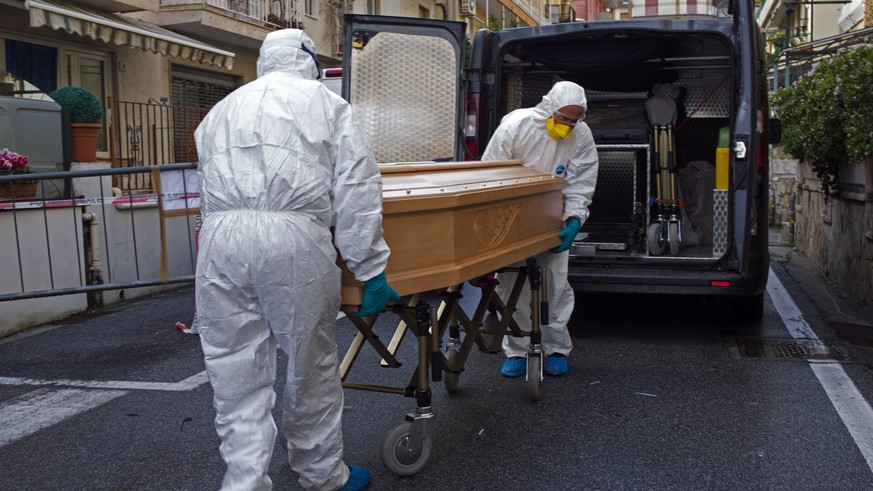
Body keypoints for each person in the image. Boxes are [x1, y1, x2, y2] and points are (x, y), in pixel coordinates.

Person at [194, 29, 400, 491]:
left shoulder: (221, 110)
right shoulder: (324, 104)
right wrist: (368, 266)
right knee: (310, 363)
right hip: (291, 235)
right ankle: (321, 473)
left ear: (265, 61)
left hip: (221, 238)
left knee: (234, 369)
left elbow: (206, 185)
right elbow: (356, 189)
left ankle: (243, 482)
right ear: (307, 60)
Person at [480, 81, 599, 378]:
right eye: (564, 119)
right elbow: (491, 172)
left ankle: (556, 347)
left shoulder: (580, 135)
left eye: (574, 120)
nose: (568, 126)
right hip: (512, 217)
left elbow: (581, 180)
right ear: (549, 108)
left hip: (551, 218)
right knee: (512, 286)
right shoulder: (516, 126)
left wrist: (573, 220)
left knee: (555, 285)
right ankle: (517, 349)